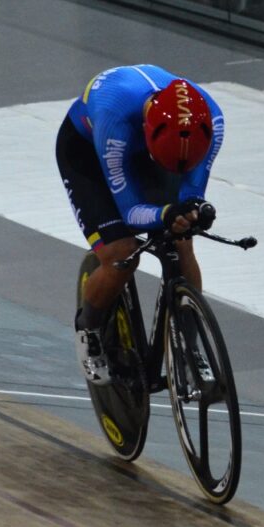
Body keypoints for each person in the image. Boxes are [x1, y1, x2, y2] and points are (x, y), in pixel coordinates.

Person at [56, 64, 224, 382]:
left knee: (181, 240)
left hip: (157, 152)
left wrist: (192, 210)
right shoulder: (113, 116)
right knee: (121, 255)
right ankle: (88, 328)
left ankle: (190, 345)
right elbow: (131, 211)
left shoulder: (212, 119)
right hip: (89, 154)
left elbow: (191, 192)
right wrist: (164, 214)